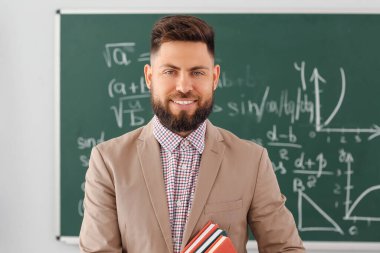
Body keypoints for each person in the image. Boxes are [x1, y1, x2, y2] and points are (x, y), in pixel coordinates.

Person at [79, 15, 305, 253]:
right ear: (149, 77)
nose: (184, 86)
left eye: (197, 72)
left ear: (215, 77)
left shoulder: (252, 161)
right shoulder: (108, 161)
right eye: (170, 72)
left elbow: (286, 249)